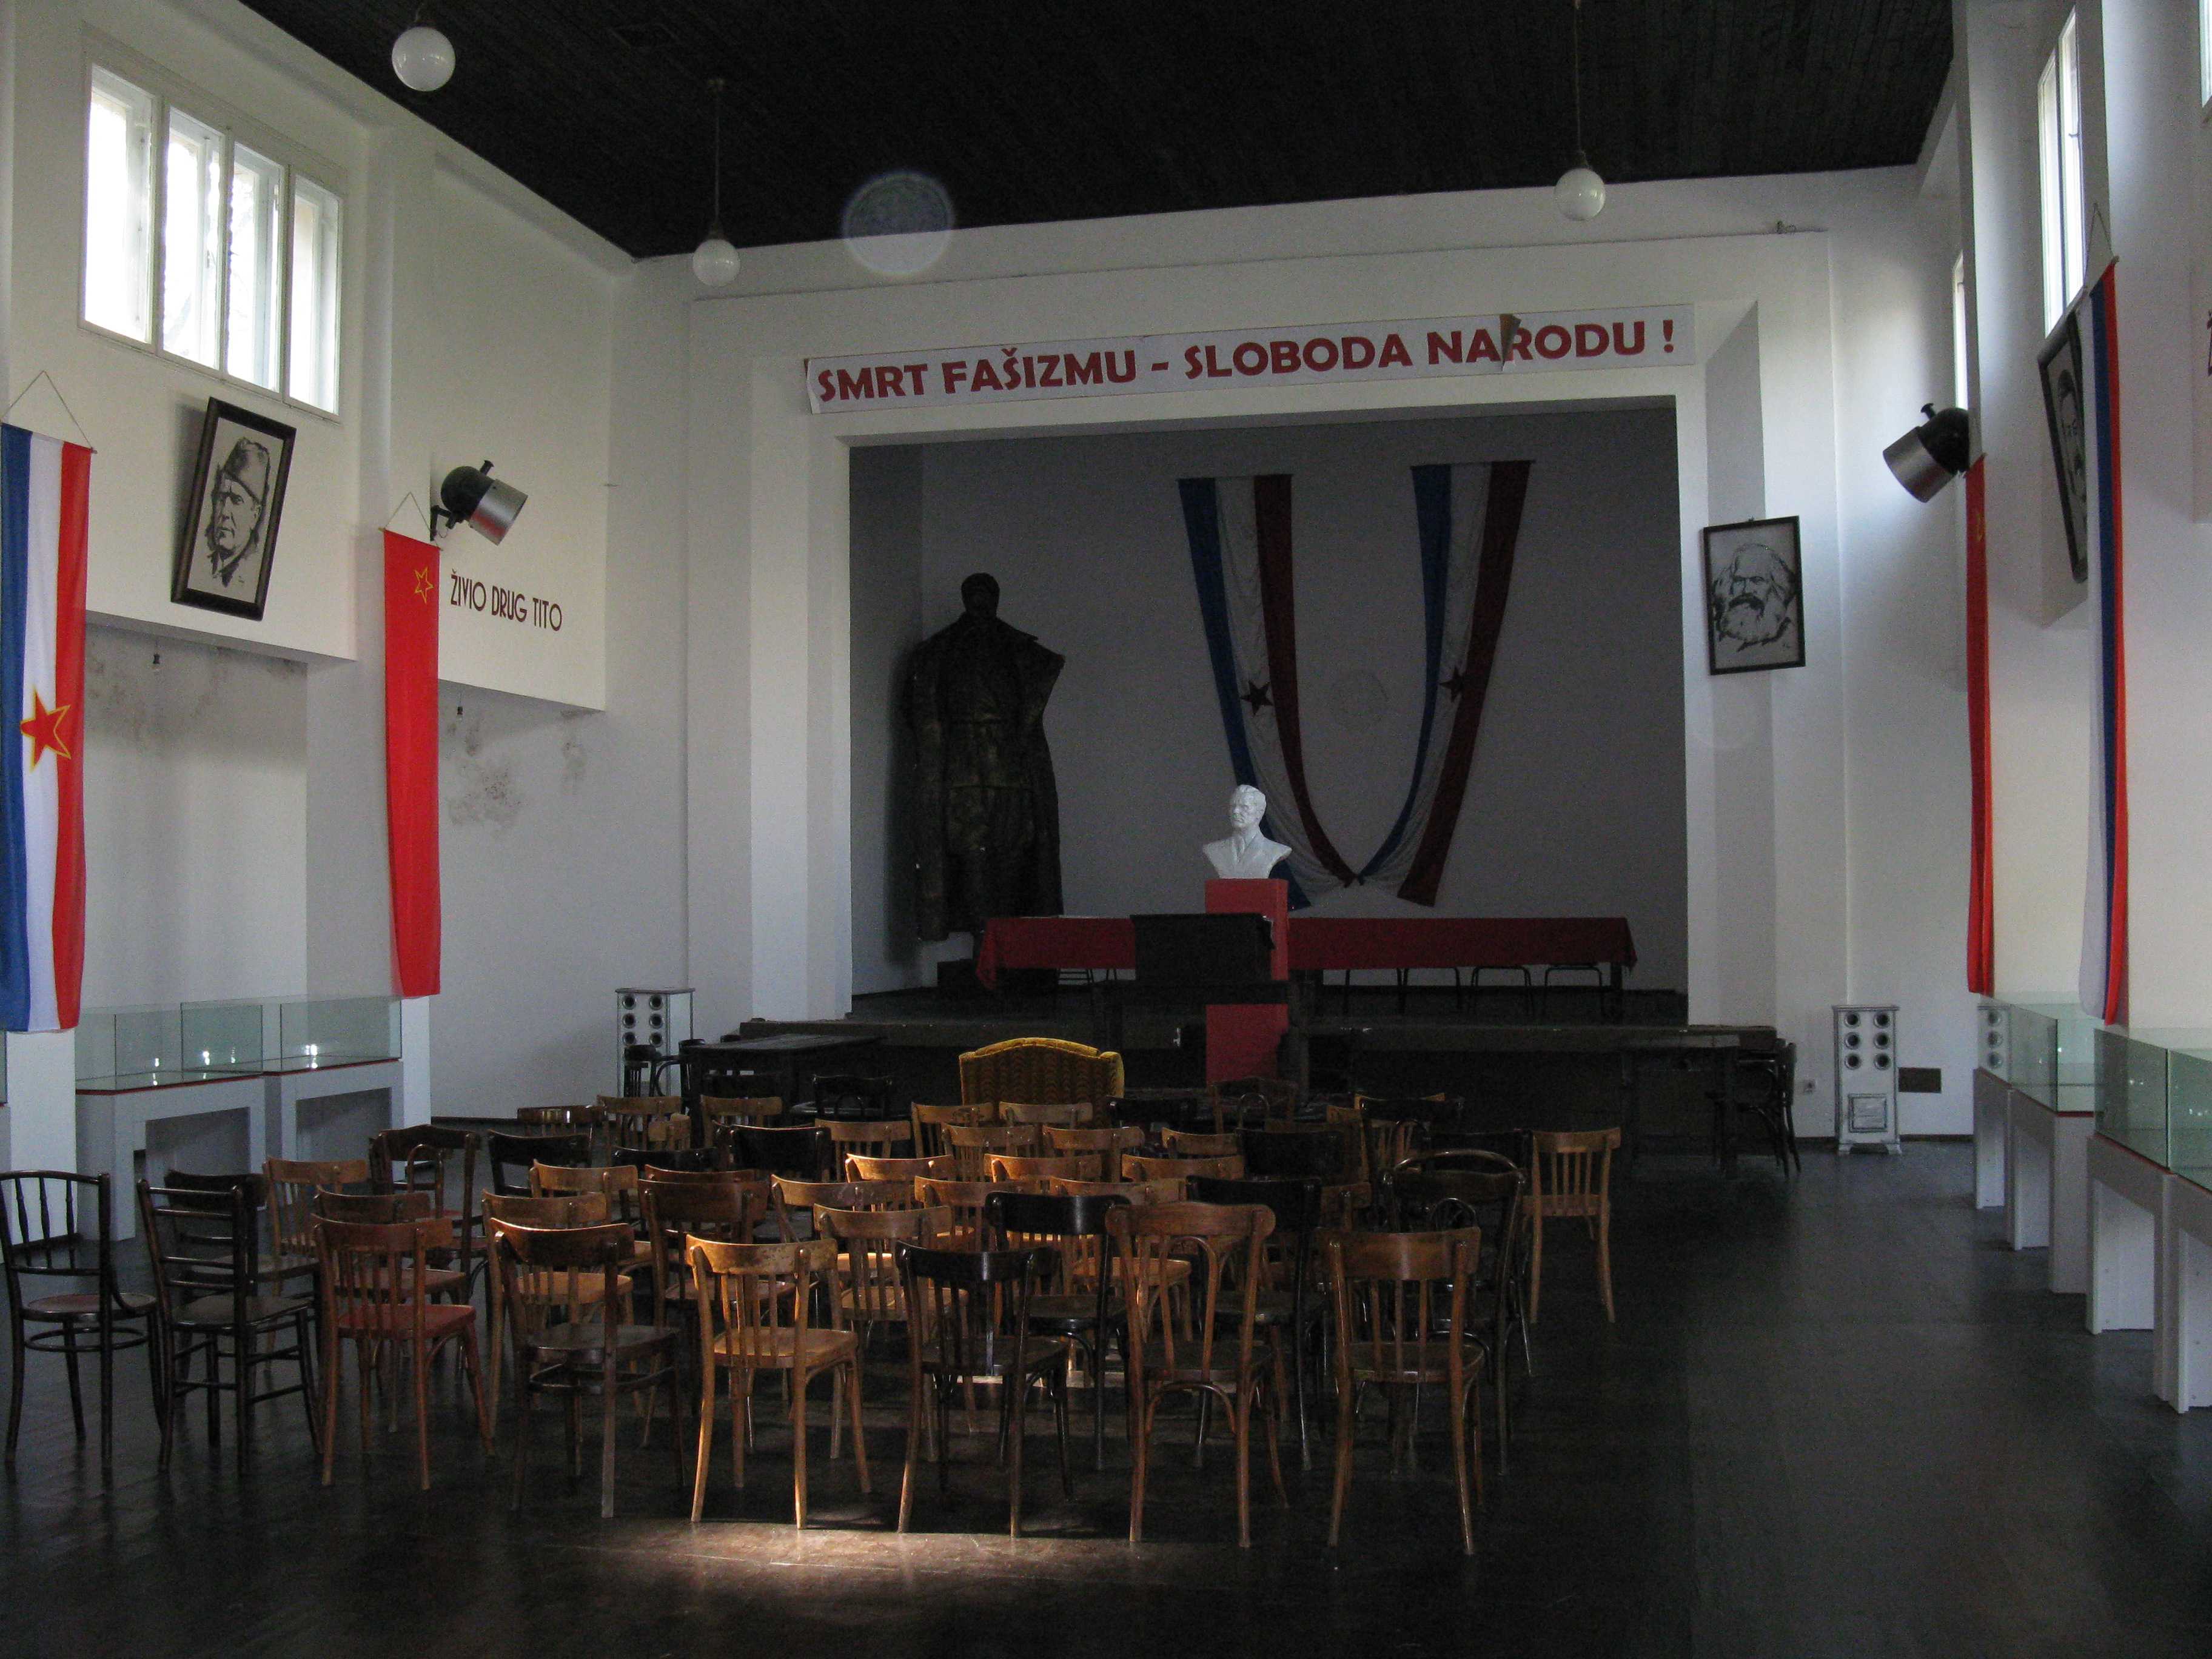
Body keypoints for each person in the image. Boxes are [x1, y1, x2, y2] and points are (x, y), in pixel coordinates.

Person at [906, 573, 1064, 940]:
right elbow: (917, 716)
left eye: (986, 595)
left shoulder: (1022, 651)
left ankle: (1001, 947)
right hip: (962, 776)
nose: (980, 603)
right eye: (973, 595)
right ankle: (985, 944)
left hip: (1011, 773)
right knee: (970, 855)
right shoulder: (937, 653)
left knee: (1013, 856)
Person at [204, 437, 273, 590]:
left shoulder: (248, 580)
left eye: (236, 500)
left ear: (255, 515)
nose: (225, 511)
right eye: (222, 498)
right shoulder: (204, 565)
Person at [1204, 783, 1292, 880]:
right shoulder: (1214, 849)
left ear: (1260, 812)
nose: (1235, 811)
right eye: (1233, 806)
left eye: (1244, 807)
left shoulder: (1275, 850)